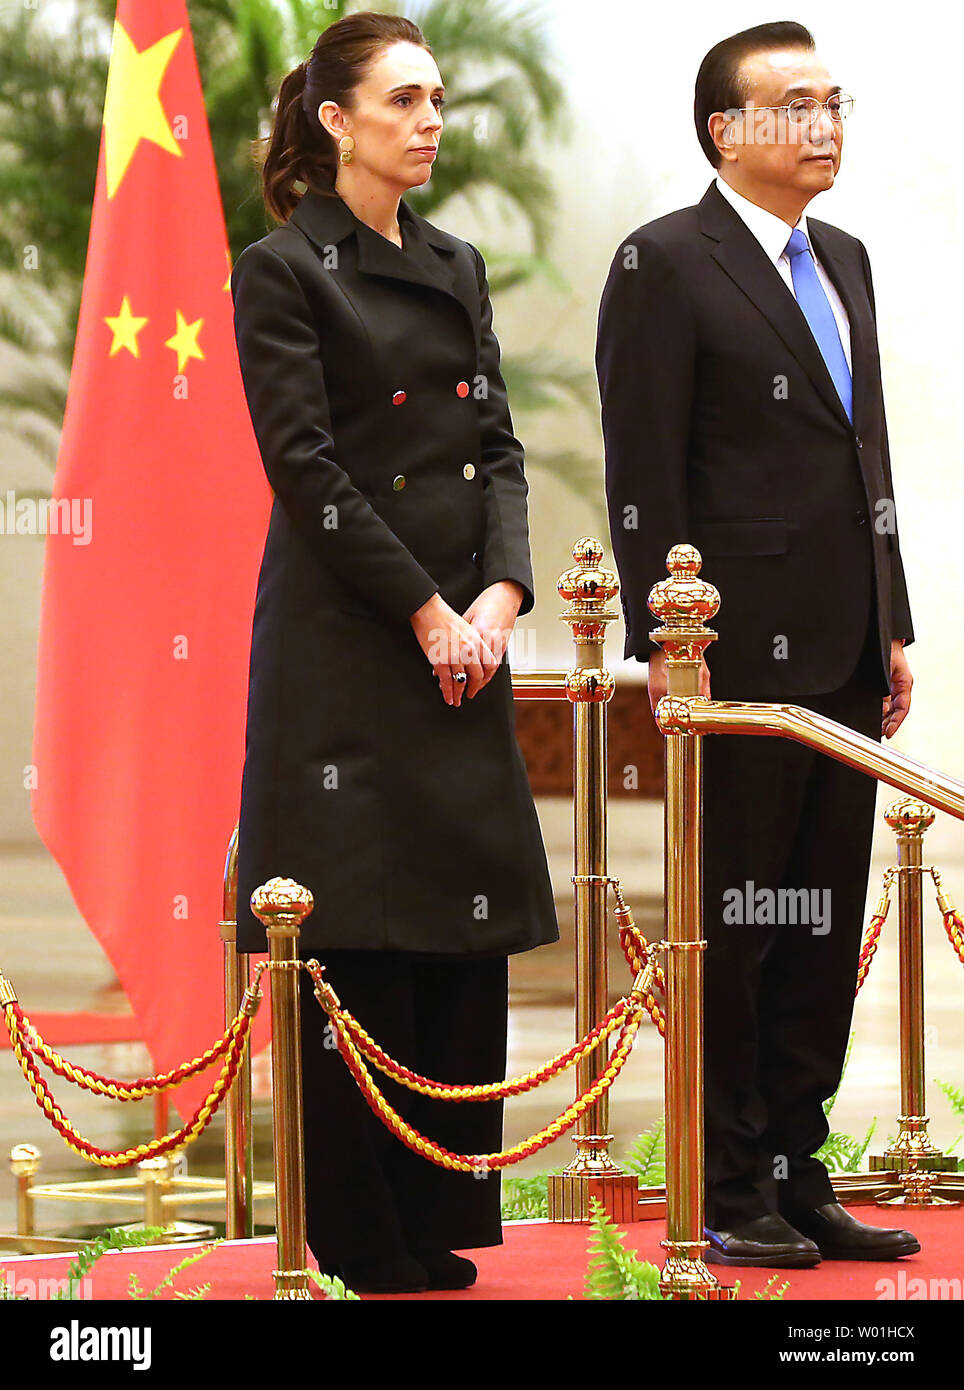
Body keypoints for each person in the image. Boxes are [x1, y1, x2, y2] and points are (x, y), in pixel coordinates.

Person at [229, 11, 558, 1294]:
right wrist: (427, 609)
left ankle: (437, 1215)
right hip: (350, 649)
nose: (430, 120)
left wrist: (502, 594)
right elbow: (304, 468)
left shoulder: (457, 262)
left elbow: (502, 454)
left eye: (438, 99)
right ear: (335, 118)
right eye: (406, 99)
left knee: (451, 925)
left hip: (464, 642)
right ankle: (358, 1232)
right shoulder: (282, 269)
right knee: (356, 934)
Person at [596, 21, 920, 1267]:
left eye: (833, 100)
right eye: (793, 105)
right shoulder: (664, 263)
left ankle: (798, 1166)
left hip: (843, 652)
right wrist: (673, 650)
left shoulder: (844, 257)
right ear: (724, 130)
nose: (824, 123)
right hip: (733, 661)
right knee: (736, 924)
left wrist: (891, 619)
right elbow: (646, 466)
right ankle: (730, 1184)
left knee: (820, 920)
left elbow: (864, 454)